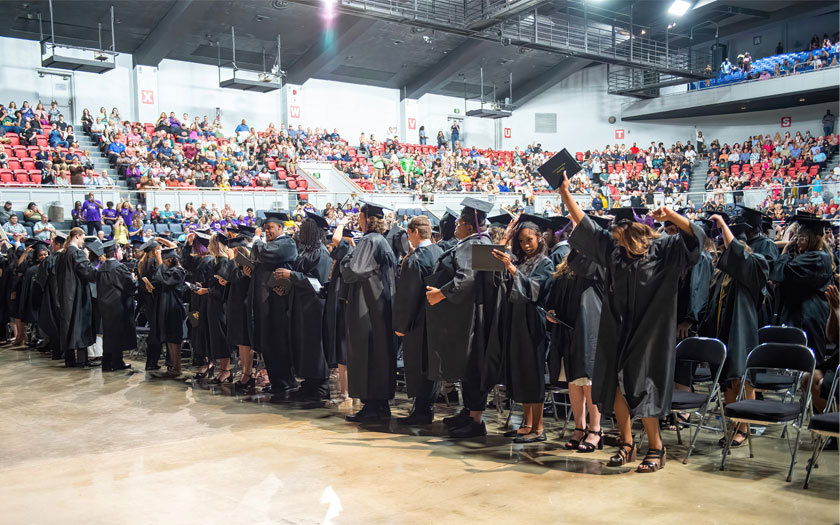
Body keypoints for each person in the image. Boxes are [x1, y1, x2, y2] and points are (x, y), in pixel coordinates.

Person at [558, 170, 704, 473]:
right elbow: (585, 225)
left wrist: (672, 215)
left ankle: (657, 447)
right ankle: (627, 444)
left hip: (650, 330)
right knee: (616, 385)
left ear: (634, 230)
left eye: (618, 231)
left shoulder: (663, 250)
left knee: (644, 386)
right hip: (616, 328)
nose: (612, 236)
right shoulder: (614, 252)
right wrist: (564, 193)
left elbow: (695, 238)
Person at [425, 197, 506, 438]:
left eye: (459, 222)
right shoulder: (481, 242)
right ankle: (469, 411)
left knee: (473, 366)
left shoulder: (476, 244)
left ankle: (476, 420)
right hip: (473, 312)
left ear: (470, 226)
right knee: (468, 366)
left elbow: (467, 278)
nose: (456, 226)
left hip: (474, 317)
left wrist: (441, 294)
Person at [699, 216, 769, 448]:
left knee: (741, 379)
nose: (722, 254)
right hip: (723, 332)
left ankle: (744, 428)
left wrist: (722, 225)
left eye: (726, 249)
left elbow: (740, 257)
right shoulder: (721, 273)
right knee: (727, 381)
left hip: (741, 332)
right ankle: (733, 425)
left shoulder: (756, 265)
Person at [545, 216, 607, 452]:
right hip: (567, 329)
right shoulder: (565, 264)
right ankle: (579, 427)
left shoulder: (597, 264)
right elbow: (556, 293)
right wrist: (552, 310)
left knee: (589, 380)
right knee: (574, 381)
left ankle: (596, 429)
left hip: (590, 329)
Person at [493, 217, 554, 443]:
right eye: (522, 240)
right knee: (521, 372)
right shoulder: (523, 261)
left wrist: (511, 268)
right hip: (517, 321)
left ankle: (538, 428)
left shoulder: (545, 263)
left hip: (533, 323)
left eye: (530, 239)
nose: (526, 244)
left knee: (533, 374)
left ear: (540, 238)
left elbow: (533, 291)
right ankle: (526, 424)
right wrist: (507, 241)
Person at [340, 201, 397, 422]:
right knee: (379, 355)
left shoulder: (369, 240)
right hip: (380, 305)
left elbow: (354, 270)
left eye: (361, 217)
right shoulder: (382, 240)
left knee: (368, 354)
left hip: (368, 307)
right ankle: (380, 406)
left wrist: (346, 259)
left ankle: (371, 407)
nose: (358, 221)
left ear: (368, 220)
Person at [393, 215, 444, 425]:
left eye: (409, 234)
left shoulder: (416, 258)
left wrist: (401, 325)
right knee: (432, 365)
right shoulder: (440, 252)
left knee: (418, 365)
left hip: (418, 321)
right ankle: (427, 407)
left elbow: (408, 295)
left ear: (414, 232)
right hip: (438, 320)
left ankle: (421, 411)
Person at [246, 211, 298, 401]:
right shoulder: (272, 244)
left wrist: (257, 239)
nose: (267, 231)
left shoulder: (287, 243)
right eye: (265, 228)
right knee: (268, 343)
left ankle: (286, 382)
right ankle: (276, 382)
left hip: (278, 302)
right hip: (265, 302)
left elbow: (265, 253)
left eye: (270, 228)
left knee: (279, 343)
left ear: (280, 228)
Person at [281, 212, 332, 401]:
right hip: (302, 304)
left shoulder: (321, 253)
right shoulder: (308, 252)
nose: (299, 234)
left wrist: (291, 276)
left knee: (315, 345)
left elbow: (317, 282)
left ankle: (321, 385)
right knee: (304, 344)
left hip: (315, 306)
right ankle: (310, 382)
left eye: (304, 231)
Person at [771, 215, 834, 365]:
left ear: (812, 239)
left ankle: (809, 386)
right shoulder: (820, 256)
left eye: (802, 237)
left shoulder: (816, 257)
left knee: (808, 357)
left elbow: (783, 272)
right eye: (797, 237)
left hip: (808, 312)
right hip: (808, 310)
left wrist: (785, 252)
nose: (797, 241)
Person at [56, 227, 100, 367]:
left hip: (66, 295)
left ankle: (70, 360)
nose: (83, 242)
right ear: (77, 236)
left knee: (69, 326)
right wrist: (87, 258)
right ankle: (82, 360)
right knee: (81, 325)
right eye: (82, 238)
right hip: (78, 295)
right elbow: (89, 273)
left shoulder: (62, 254)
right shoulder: (77, 253)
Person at [322, 217, 355, 406]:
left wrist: (341, 222)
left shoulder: (347, 253)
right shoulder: (346, 258)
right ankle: (346, 393)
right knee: (343, 353)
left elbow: (336, 240)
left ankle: (346, 394)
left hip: (343, 310)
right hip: (340, 308)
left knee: (344, 352)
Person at [96, 240, 136, 371]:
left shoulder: (101, 268)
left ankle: (107, 362)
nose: (121, 253)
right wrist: (134, 280)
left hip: (103, 305)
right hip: (117, 304)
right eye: (119, 250)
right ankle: (117, 362)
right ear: (114, 252)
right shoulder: (119, 267)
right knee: (117, 334)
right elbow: (130, 284)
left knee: (108, 334)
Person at [151, 243, 188, 378]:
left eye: (166, 261)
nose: (164, 263)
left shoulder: (178, 271)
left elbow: (165, 280)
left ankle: (177, 368)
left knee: (175, 339)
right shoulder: (171, 270)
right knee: (170, 339)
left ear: (171, 259)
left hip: (174, 308)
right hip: (167, 307)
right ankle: (173, 366)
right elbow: (159, 279)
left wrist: (159, 259)